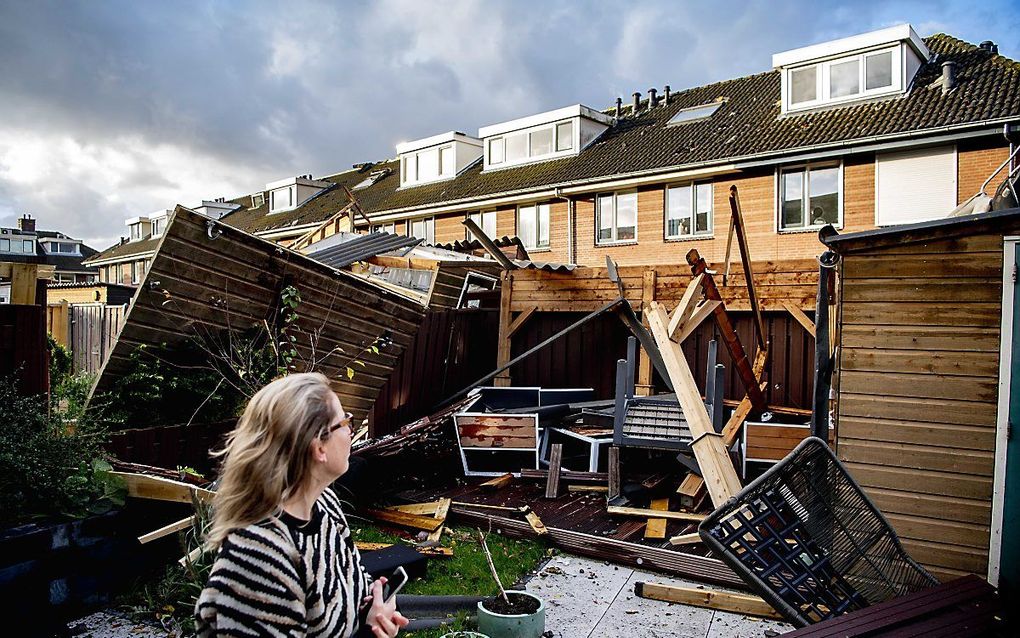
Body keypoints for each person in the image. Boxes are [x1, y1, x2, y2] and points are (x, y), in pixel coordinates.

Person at [194, 373, 409, 637]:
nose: (351, 430)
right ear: (319, 447)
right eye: (344, 422)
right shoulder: (260, 560)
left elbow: (352, 585)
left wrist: (371, 609)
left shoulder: (324, 504)